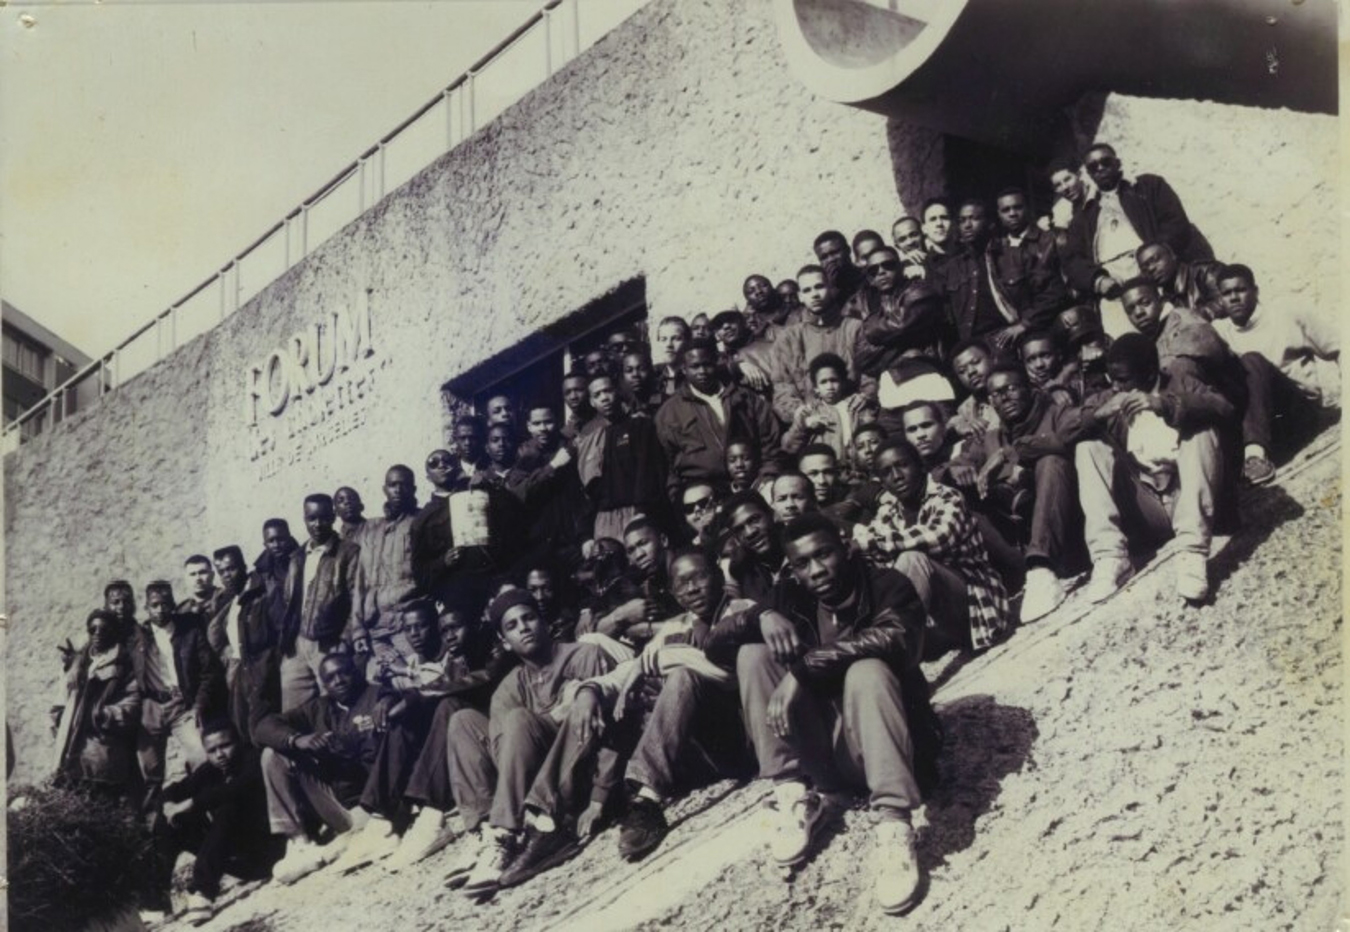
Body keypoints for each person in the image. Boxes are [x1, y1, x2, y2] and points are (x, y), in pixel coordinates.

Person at [704, 514, 940, 916]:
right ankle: (793, 792)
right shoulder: (792, 596)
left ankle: (894, 826)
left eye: (824, 555)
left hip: (897, 751)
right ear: (792, 569)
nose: (816, 571)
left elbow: (898, 638)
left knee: (867, 670)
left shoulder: (886, 584)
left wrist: (803, 668)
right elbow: (714, 647)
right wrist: (759, 615)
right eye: (802, 564)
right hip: (832, 760)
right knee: (753, 653)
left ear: (845, 547)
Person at [578, 550, 753, 861]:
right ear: (673, 592)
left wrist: (669, 659)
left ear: (717, 576)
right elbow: (633, 668)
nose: (693, 588)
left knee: (683, 677)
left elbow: (734, 676)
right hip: (702, 750)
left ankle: (647, 798)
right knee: (636, 695)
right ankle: (627, 798)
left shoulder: (742, 610)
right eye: (682, 584)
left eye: (700, 577)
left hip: (742, 736)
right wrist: (593, 688)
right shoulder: (675, 627)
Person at [445, 592, 619, 893]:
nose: (523, 627)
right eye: (512, 625)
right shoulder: (509, 686)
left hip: (574, 777)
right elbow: (504, 760)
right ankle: (487, 832)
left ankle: (505, 834)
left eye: (529, 618)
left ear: (544, 621)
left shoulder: (583, 654)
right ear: (503, 640)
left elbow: (613, 729)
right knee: (463, 721)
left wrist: (599, 799)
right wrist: (553, 715)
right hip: (528, 785)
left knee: (519, 719)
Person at [1073, 334, 1232, 605]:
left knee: (1202, 431)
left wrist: (1165, 404)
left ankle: (1192, 551)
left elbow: (1223, 407)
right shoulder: (1112, 396)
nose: (1116, 387)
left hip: (1189, 497)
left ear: (1149, 372)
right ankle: (1111, 557)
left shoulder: (1181, 380)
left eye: (1124, 379)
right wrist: (1099, 414)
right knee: (1087, 448)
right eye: (1112, 379)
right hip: (1148, 506)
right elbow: (1065, 431)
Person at [254, 653, 415, 882]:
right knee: (273, 754)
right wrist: (297, 739)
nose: (338, 681)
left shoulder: (376, 696)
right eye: (330, 678)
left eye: (343, 673)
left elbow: (401, 699)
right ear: (323, 684)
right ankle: (301, 843)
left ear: (356, 672)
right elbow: (263, 727)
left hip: (376, 804)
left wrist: (389, 701)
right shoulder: (320, 707)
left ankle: (337, 850)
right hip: (339, 805)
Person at [854, 440, 1011, 656]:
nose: (897, 476)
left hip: (973, 606)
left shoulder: (947, 496)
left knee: (912, 559)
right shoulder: (888, 513)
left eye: (902, 465)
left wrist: (867, 542)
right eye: (886, 472)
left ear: (920, 465)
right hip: (934, 623)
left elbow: (939, 536)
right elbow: (874, 550)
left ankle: (892, 657)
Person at [958, 366, 1085, 620]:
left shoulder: (1056, 413)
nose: (1003, 398)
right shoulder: (990, 438)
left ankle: (1042, 568)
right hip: (1020, 545)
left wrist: (1012, 453)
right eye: (994, 394)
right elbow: (947, 468)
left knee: (1050, 461)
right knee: (959, 497)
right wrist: (958, 473)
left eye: (1011, 389)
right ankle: (1012, 580)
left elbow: (1075, 432)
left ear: (1030, 389)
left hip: (1073, 533)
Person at [1061, 142, 1212, 337]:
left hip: (1154, 279)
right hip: (1114, 290)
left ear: (1118, 163)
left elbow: (1176, 224)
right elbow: (1073, 261)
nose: (1100, 169)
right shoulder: (1084, 215)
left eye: (1105, 162)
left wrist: (1154, 262)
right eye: (1093, 167)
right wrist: (1098, 280)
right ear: (1088, 174)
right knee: (1127, 345)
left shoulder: (1149, 187)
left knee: (1176, 335)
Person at [1210, 263, 1339, 485]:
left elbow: (1339, 346)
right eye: (1226, 293)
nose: (1234, 298)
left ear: (1255, 291)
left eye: (1240, 290)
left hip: (1299, 413)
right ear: (1219, 299)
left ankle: (1255, 455)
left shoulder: (1285, 314)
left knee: (1251, 360)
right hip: (1265, 427)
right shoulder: (1220, 332)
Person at [151, 721, 281, 924]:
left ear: (238, 742)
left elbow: (237, 788)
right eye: (212, 750)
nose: (220, 754)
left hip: (271, 853)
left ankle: (203, 891)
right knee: (168, 822)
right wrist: (168, 805)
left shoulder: (253, 758)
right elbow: (172, 790)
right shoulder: (210, 770)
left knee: (229, 807)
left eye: (225, 746)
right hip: (239, 860)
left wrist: (193, 802)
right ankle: (158, 899)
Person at [129, 581, 223, 805]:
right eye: (155, 605)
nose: (160, 610)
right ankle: (152, 824)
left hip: (182, 705)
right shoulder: (138, 637)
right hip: (151, 708)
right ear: (146, 607)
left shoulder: (189, 632)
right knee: (148, 770)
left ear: (173, 605)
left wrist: (198, 706)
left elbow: (210, 671)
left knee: (201, 754)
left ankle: (203, 808)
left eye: (165, 604)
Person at [654, 338, 781, 502]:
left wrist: (768, 479)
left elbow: (770, 443)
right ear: (684, 369)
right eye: (695, 367)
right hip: (703, 496)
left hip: (753, 487)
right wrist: (680, 499)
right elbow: (668, 467)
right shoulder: (669, 412)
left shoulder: (745, 398)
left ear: (716, 362)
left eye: (707, 364)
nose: (702, 371)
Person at [278, 493, 363, 711]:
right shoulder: (297, 556)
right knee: (295, 708)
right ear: (304, 519)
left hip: (330, 642)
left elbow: (356, 598)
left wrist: (344, 640)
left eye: (324, 518)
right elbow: (290, 600)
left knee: (336, 705)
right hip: (298, 644)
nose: (317, 524)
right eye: (311, 518)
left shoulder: (348, 552)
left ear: (333, 517)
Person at [853, 246, 955, 413]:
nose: (881, 272)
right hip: (891, 383)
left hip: (926, 376)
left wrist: (871, 327)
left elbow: (901, 324)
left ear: (901, 267)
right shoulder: (869, 304)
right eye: (873, 270)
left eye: (888, 265)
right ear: (870, 279)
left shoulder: (920, 291)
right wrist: (905, 342)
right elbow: (863, 358)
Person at [52, 609, 142, 797]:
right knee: (73, 800)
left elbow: (133, 701)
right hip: (70, 746)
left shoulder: (123, 663)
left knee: (102, 802)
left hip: (102, 745)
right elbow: (61, 696)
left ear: (113, 633)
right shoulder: (78, 662)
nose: (98, 634)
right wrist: (59, 716)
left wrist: (104, 715)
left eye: (104, 630)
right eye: (93, 630)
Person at [575, 372, 670, 540]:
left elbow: (648, 471)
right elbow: (588, 491)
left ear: (617, 392)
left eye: (607, 391)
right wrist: (585, 536)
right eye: (597, 395)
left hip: (637, 513)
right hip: (604, 520)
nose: (604, 398)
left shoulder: (640, 425)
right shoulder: (591, 439)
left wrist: (642, 511)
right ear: (592, 402)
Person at [771, 265, 866, 424]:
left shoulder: (855, 328)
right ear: (800, 296)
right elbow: (782, 388)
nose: (814, 294)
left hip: (855, 415)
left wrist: (865, 395)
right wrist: (803, 415)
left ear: (830, 289)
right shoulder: (788, 338)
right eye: (807, 290)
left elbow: (870, 371)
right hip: (813, 422)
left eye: (819, 287)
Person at [507, 407, 593, 574]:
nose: (543, 428)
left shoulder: (570, 451)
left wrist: (585, 536)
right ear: (529, 426)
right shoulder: (523, 456)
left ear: (557, 423)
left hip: (570, 540)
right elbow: (522, 493)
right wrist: (553, 466)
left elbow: (581, 499)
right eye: (537, 423)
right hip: (537, 543)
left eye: (548, 422)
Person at [358, 465, 422, 674]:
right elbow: (360, 582)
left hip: (406, 625)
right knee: (385, 685)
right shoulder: (371, 529)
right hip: (375, 629)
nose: (398, 490)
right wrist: (358, 629)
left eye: (403, 485)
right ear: (384, 489)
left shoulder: (420, 522)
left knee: (420, 676)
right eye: (392, 485)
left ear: (413, 489)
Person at [989, 186, 1070, 333]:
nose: (1012, 214)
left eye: (1017, 207)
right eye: (1006, 210)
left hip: (1053, 326)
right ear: (998, 214)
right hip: (1015, 332)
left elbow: (1057, 292)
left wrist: (1026, 324)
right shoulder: (995, 252)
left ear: (1027, 208)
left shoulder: (1050, 240)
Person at [783, 352, 874, 461]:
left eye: (834, 381)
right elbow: (788, 447)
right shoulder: (810, 411)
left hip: (856, 467)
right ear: (816, 388)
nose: (830, 387)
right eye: (823, 382)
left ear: (843, 382)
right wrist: (804, 425)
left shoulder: (856, 406)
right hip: (825, 468)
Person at [722, 491, 787, 602]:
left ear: (771, 514)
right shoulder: (743, 572)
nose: (750, 532)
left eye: (754, 520)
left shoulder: (801, 550)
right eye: (739, 529)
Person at [1136, 241, 1223, 321]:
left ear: (1172, 255)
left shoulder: (1205, 271)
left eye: (1155, 260)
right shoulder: (1164, 300)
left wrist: (1192, 318)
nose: (1151, 268)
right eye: (1145, 269)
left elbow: (1225, 302)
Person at [948, 339, 1002, 443]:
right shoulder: (965, 410)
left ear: (993, 359)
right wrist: (957, 428)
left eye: (976, 362)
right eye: (962, 371)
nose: (971, 372)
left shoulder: (1015, 390)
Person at [709, 310, 774, 396]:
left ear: (743, 323)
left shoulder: (766, 347)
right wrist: (737, 366)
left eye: (731, 320)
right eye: (719, 325)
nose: (726, 326)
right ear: (716, 335)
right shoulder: (721, 360)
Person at [813, 230, 867, 320]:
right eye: (824, 257)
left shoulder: (866, 276)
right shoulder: (820, 290)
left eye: (835, 253)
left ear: (848, 250)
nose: (830, 260)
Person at [1017, 329, 1081, 405]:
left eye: (1045, 356)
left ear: (1059, 355)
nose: (1039, 364)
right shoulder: (1022, 390)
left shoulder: (1077, 380)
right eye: (1031, 359)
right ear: (1024, 363)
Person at [1045, 156, 1095, 232]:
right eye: (1058, 185)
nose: (1065, 187)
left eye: (1067, 179)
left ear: (1078, 175)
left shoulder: (1097, 192)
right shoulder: (1061, 211)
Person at [653, 316, 691, 398]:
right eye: (663, 339)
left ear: (687, 342)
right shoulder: (654, 378)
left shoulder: (694, 376)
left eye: (676, 339)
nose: (668, 345)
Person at [679, 481, 721, 551]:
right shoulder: (688, 554)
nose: (697, 509)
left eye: (703, 503)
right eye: (689, 508)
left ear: (718, 504)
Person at [452, 415, 490, 486]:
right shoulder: (450, 468)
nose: (468, 443)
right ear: (456, 440)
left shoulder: (490, 466)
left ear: (481, 439)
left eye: (473, 438)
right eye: (462, 438)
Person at [561, 372, 596, 443]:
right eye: (568, 392)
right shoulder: (565, 433)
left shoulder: (605, 422)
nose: (573, 397)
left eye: (578, 390)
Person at [920, 197, 954, 267]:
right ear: (924, 229)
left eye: (944, 218)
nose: (939, 223)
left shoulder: (969, 255)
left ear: (953, 223)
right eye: (933, 219)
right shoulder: (922, 265)